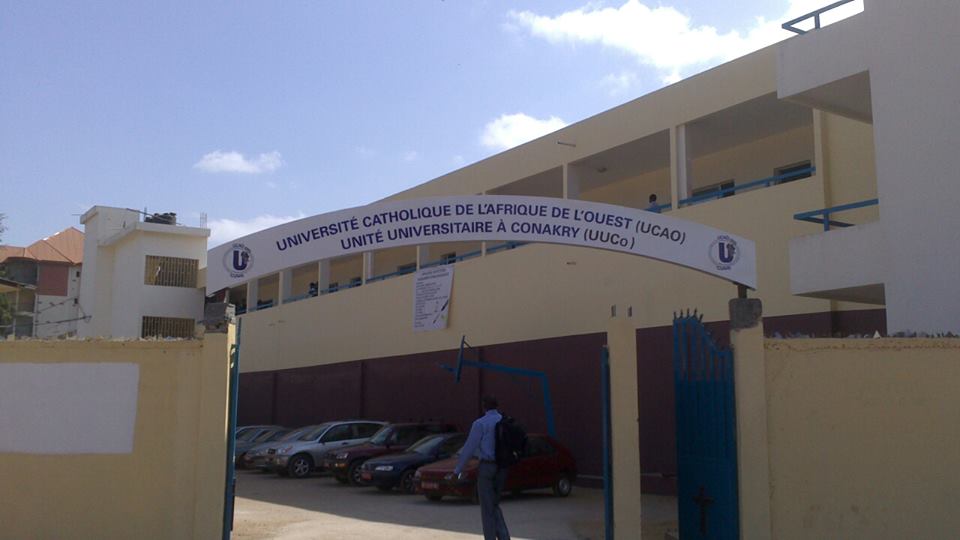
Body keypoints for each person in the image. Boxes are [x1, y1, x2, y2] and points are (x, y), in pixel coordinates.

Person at [454, 395, 510, 540]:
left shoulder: (480, 423)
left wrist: (458, 470)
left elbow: (469, 448)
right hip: (503, 468)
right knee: (494, 504)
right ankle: (504, 537)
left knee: (487, 508)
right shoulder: (505, 421)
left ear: (484, 406)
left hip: (487, 467)